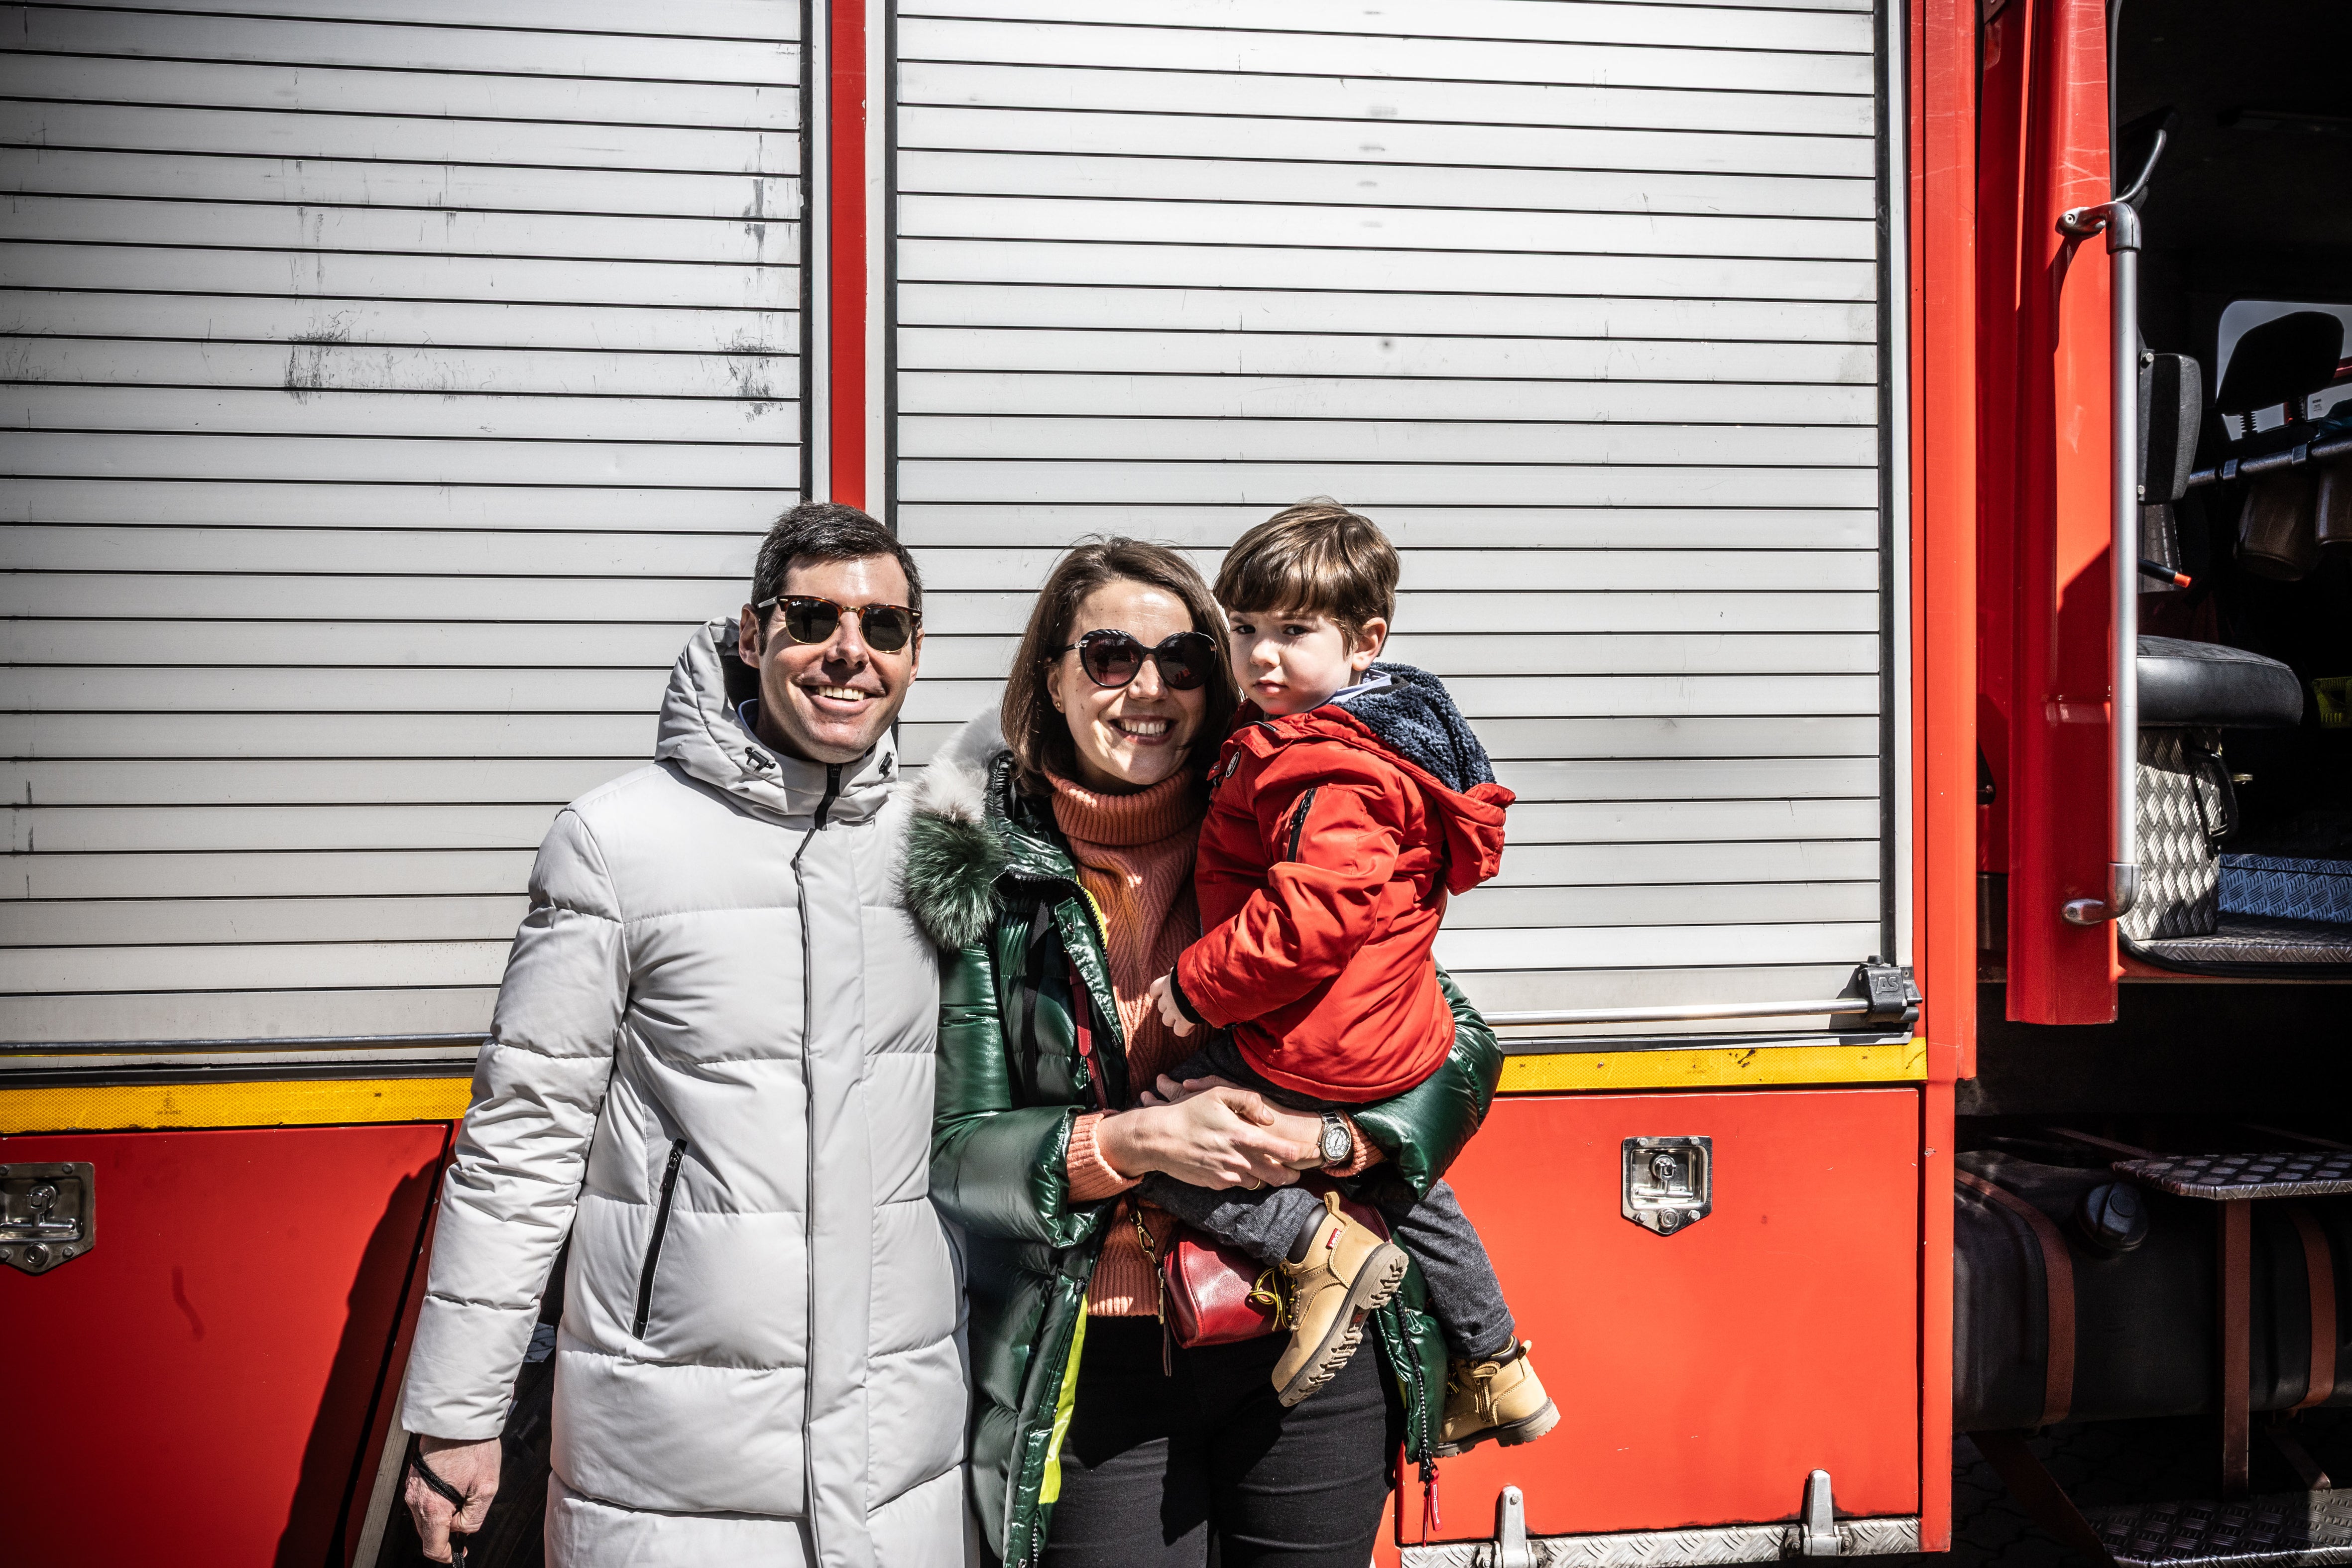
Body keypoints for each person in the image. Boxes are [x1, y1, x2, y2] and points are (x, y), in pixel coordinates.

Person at [901, 537, 1500, 1568]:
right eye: (1106, 656)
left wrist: (1336, 1142)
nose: (1149, 687)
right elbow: (958, 1151)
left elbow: (1456, 1050)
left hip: (1315, 1350)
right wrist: (1131, 1142)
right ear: (1048, 673)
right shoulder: (984, 877)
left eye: (1183, 658)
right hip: (1097, 1349)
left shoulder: (1290, 825)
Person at [397, 503, 966, 1568]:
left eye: (884, 627)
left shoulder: (939, 844)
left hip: (903, 1454)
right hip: (670, 1452)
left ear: (914, 656)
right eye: (813, 618)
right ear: (752, 636)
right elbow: (522, 1139)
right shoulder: (617, 842)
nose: (850, 651)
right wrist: (460, 1413)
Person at [1141, 502, 1555, 1448]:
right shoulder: (1384, 738)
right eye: (1243, 630)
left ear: (1367, 642)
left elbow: (1311, 919)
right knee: (1415, 1186)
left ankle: (1314, 1247)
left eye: (1293, 633)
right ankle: (1497, 1363)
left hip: (1318, 1043)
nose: (1260, 659)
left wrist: (1196, 983)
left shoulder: (1320, 763)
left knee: (1170, 1139)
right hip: (1395, 1036)